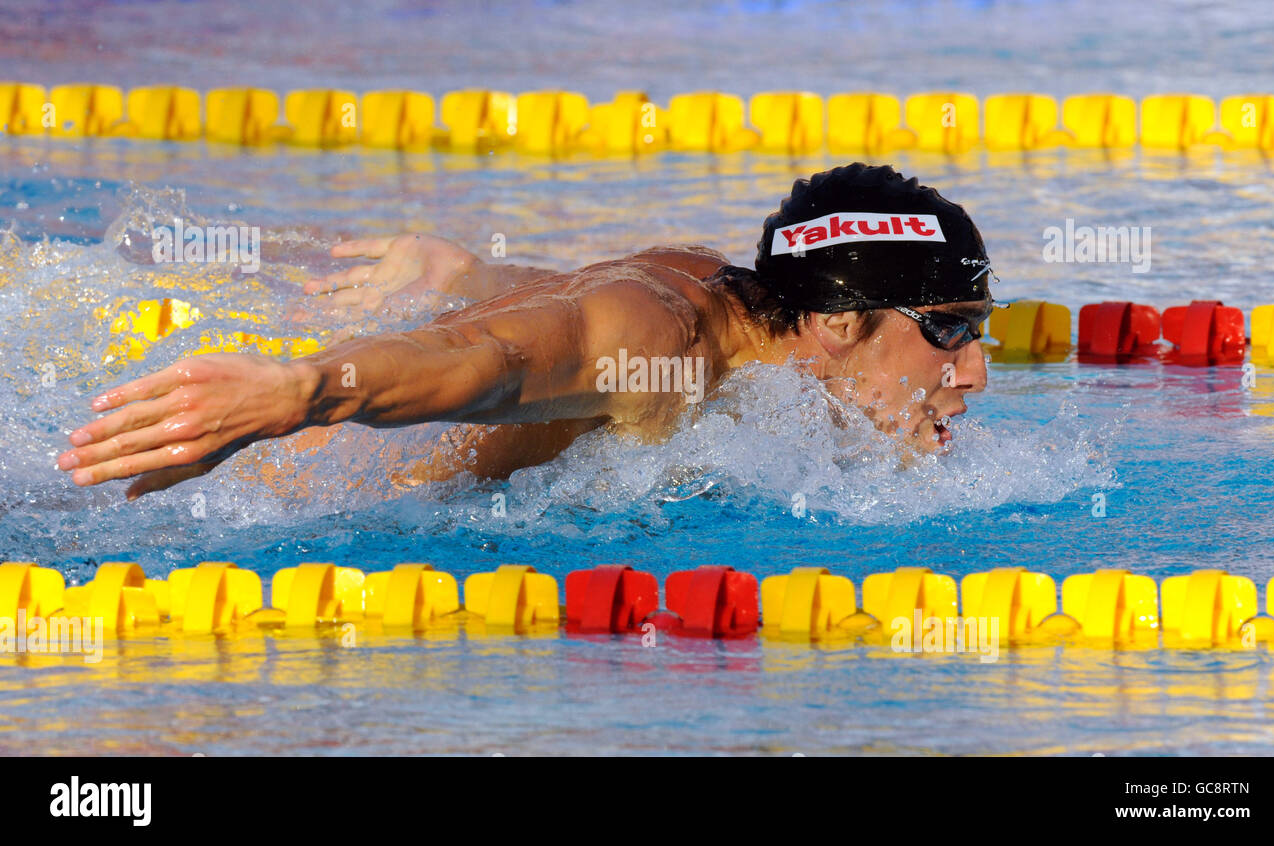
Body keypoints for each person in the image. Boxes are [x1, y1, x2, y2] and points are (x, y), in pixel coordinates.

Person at [57, 163, 994, 500]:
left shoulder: (732, 298)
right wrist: (301, 391)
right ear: (836, 325)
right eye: (950, 330)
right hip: (201, 479)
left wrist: (475, 278)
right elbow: (494, 362)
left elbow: (560, 316)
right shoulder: (669, 350)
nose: (977, 372)